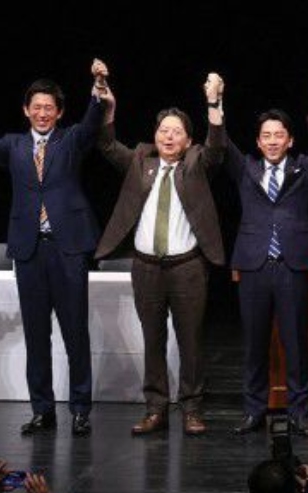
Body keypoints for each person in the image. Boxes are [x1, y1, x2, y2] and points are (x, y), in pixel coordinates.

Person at [0, 61, 108, 437]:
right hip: (30, 250)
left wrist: (98, 87)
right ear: (26, 110)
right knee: (37, 336)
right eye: (36, 107)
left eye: (49, 107)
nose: (42, 113)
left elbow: (91, 124)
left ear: (59, 112)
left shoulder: (70, 140)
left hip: (67, 247)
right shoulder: (14, 145)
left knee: (75, 334)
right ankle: (43, 410)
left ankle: (81, 409)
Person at [93, 63, 227, 437]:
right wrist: (108, 107)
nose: (169, 137)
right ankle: (155, 408)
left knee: (191, 340)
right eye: (163, 131)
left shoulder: (197, 162)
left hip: (187, 267)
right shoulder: (140, 160)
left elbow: (217, 147)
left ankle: (192, 409)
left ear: (187, 140)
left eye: (177, 132)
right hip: (147, 267)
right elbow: (105, 144)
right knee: (152, 338)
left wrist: (214, 102)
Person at [225, 105, 308, 437]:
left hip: (291, 265)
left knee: (296, 343)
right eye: (266, 136)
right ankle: (254, 411)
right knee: (254, 344)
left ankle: (299, 413)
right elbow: (220, 141)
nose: (272, 141)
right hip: (254, 265)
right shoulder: (246, 169)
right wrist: (215, 103)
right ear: (257, 141)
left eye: (278, 135)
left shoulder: (303, 169)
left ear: (290, 140)